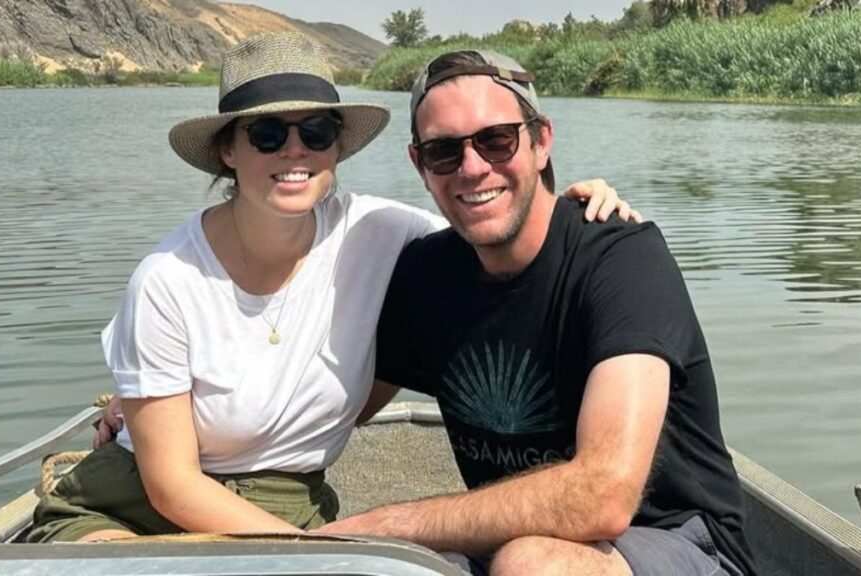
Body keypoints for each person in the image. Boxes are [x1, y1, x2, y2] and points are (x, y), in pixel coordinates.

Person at [27, 33, 638, 543]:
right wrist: (309, 555)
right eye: (267, 134)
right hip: (132, 507)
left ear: (336, 147)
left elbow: (494, 222)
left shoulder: (382, 232)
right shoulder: (166, 281)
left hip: (287, 504)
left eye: (316, 131)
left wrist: (571, 204)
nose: (294, 150)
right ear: (227, 150)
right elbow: (171, 485)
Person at [316, 50, 757, 576]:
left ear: (541, 141)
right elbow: (331, 413)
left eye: (496, 140)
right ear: (420, 165)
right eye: (444, 152)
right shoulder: (425, 274)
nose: (474, 167)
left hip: (683, 545)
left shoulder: (621, 257)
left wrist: (386, 526)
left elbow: (604, 495)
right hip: (514, 546)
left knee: (531, 564)